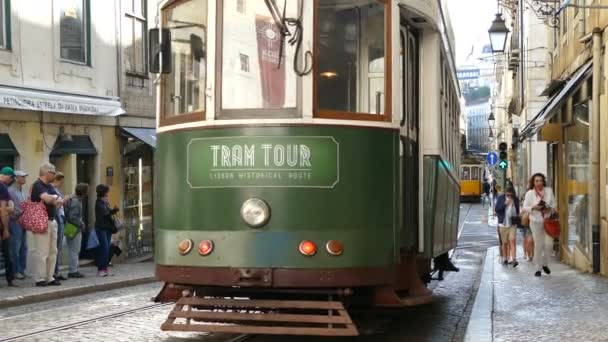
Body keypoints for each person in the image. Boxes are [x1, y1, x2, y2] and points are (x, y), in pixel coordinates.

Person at [31, 162, 66, 286]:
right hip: (41, 220)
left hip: (52, 220)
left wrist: (54, 199)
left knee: (53, 250)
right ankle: (40, 278)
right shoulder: (38, 185)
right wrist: (54, 199)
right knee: (42, 251)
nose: (55, 175)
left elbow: (59, 201)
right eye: (53, 172)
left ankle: (50, 277)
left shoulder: (49, 186)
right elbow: (47, 199)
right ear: (47, 173)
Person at [523, 173, 556, 277]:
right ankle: (538, 268)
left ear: (543, 182)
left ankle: (545, 264)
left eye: (540, 180)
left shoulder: (549, 191)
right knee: (538, 245)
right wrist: (533, 207)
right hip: (535, 222)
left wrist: (549, 208)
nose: (539, 183)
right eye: (536, 181)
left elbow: (554, 205)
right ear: (533, 182)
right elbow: (525, 207)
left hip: (548, 222)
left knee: (549, 244)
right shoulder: (529, 193)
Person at [64, 183, 88, 278]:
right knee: (75, 249)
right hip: (74, 228)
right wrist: (81, 224)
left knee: (73, 249)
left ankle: (73, 269)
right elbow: (72, 217)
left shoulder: (72, 199)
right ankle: (73, 270)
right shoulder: (76, 202)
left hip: (70, 226)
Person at [95, 184, 119, 277]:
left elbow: (109, 213)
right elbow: (105, 213)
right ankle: (101, 269)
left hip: (108, 228)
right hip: (101, 228)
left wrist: (114, 210)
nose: (108, 193)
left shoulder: (105, 201)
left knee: (107, 249)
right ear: (104, 192)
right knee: (104, 249)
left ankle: (105, 269)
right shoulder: (99, 202)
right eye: (107, 191)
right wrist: (112, 210)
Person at [8, 170, 28, 279]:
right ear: (16, 178)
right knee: (15, 248)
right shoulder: (10, 191)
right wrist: (18, 214)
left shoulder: (22, 191)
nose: (24, 178)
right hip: (15, 222)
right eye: (22, 176)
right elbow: (10, 208)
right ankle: (15, 271)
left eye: (24, 176)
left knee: (24, 247)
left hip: (23, 221)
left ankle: (22, 270)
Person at [495, 187, 520, 268]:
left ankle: (514, 259)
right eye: (507, 194)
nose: (509, 196)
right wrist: (505, 204)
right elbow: (497, 209)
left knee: (512, 241)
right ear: (505, 193)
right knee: (505, 243)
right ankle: (505, 258)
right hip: (503, 224)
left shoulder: (515, 199)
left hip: (512, 224)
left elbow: (517, 211)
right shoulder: (500, 198)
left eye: (511, 195)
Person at [0, 167, 17, 287]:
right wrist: (5, 229)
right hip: (1, 224)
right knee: (8, 253)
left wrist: (10, 206)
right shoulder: (2, 187)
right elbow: (4, 210)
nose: (11, 181)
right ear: (8, 177)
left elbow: (10, 204)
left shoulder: (4, 188)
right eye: (11, 178)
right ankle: (10, 279)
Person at [52, 172, 67, 281]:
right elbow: (55, 207)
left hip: (60, 217)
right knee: (56, 247)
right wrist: (64, 200)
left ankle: (56, 271)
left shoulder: (56, 190)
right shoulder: (53, 190)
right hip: (57, 218)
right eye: (61, 181)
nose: (62, 183)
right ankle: (54, 272)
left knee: (58, 248)